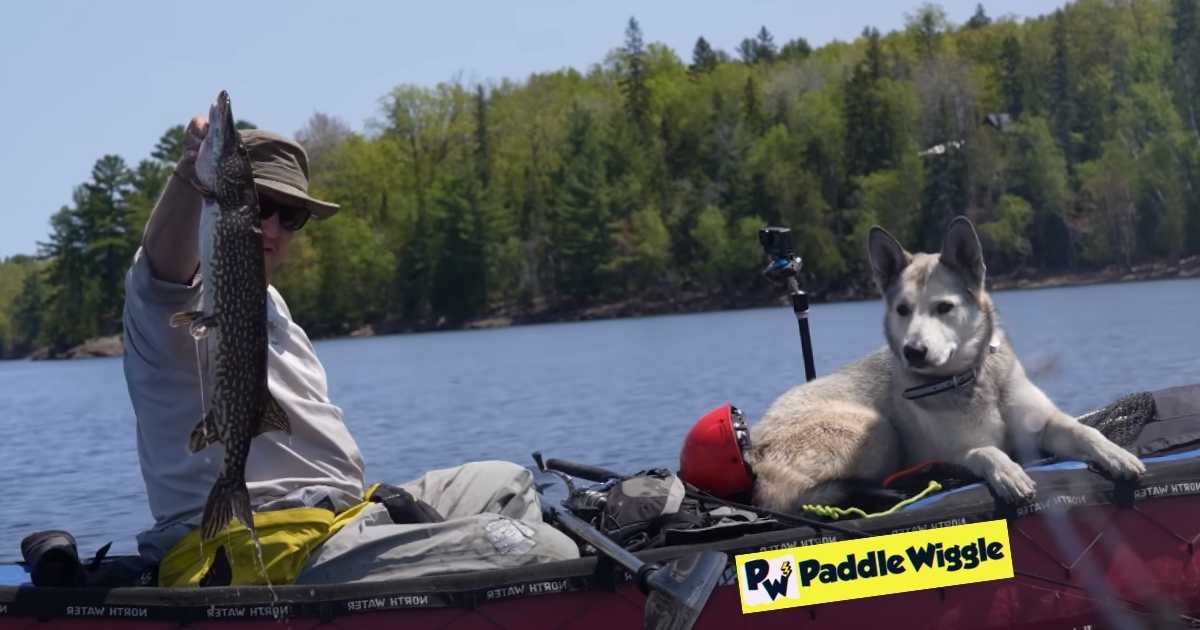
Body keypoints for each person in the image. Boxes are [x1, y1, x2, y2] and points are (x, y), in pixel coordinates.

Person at [121, 113, 578, 586]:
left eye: (291, 215)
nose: (273, 228)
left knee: (507, 481)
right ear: (215, 198)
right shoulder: (174, 302)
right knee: (547, 552)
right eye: (259, 205)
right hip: (259, 546)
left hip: (341, 522)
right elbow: (162, 264)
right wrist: (189, 169)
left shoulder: (271, 307)